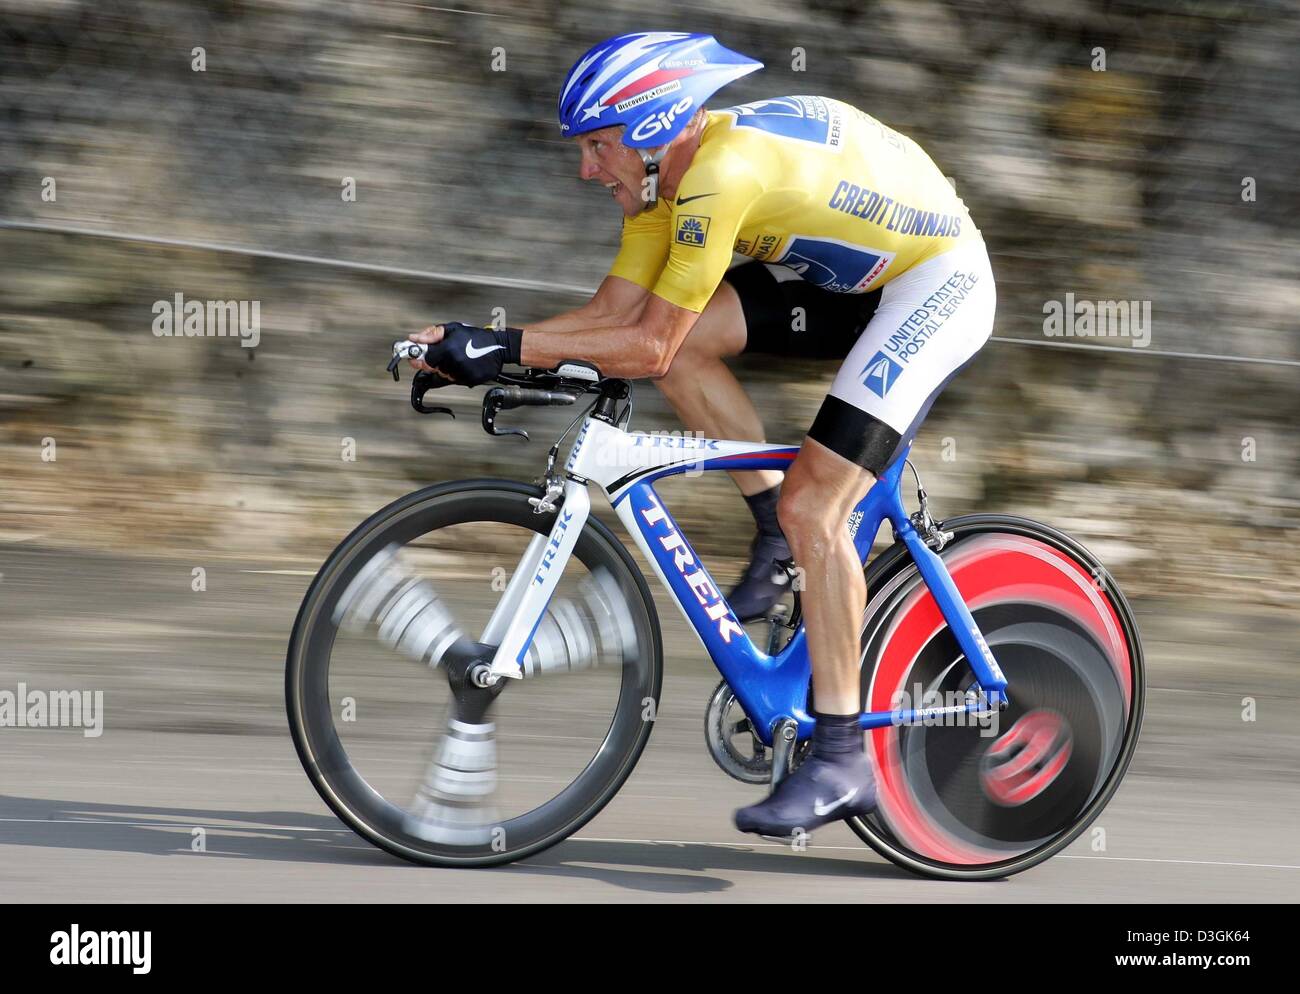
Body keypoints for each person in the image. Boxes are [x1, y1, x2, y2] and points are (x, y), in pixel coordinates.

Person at [406, 31, 996, 838]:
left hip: (937, 283)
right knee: (684, 358)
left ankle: (840, 757)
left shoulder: (719, 176)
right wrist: (483, 346)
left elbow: (641, 344)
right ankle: (773, 534)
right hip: (854, 280)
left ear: (650, 132)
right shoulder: (661, 188)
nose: (587, 168)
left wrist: (502, 350)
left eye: (599, 145)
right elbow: (616, 320)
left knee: (817, 508)